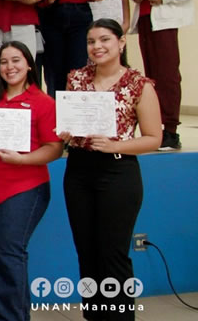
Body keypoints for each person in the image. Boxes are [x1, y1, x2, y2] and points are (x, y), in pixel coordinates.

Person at [59, 19, 162, 319]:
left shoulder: (139, 84)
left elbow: (153, 138)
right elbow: (69, 125)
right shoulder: (76, 78)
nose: (97, 46)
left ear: (121, 42)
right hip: (78, 170)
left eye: (104, 39)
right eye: (91, 41)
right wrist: (65, 133)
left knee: (113, 254)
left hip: (118, 172)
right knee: (86, 252)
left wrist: (115, 145)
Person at [0, 41, 63, 321]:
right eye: (3, 62)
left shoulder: (44, 103)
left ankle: (7, 317)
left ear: (29, 64)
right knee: (6, 254)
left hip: (25, 188)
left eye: (16, 60)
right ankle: (14, 314)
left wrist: (22, 160)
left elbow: (54, 148)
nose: (9, 67)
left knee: (9, 252)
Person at [130, 0, 198, 150]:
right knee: (151, 75)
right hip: (145, 18)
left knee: (168, 75)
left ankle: (171, 130)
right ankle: (154, 127)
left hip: (165, 18)